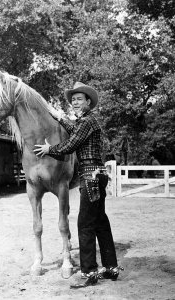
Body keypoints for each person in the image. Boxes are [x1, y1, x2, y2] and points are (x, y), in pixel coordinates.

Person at [33, 82, 122, 289]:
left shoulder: (87, 121)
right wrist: (60, 117)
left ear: (88, 102)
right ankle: (111, 267)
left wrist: (49, 149)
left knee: (85, 223)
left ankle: (90, 271)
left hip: (90, 175)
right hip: (97, 174)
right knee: (100, 222)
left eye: (79, 99)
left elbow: (71, 144)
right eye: (73, 100)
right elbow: (75, 129)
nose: (75, 102)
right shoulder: (87, 122)